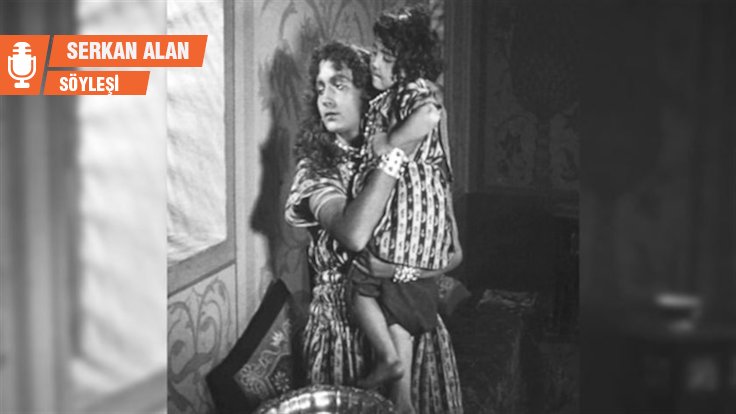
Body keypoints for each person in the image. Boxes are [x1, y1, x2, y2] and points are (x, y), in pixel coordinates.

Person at [285, 41, 463, 413]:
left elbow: (451, 255)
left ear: (369, 95)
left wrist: (397, 271)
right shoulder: (317, 169)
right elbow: (354, 235)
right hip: (344, 334)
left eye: (339, 85)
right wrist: (398, 150)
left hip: (410, 325)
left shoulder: (420, 162)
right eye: (320, 87)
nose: (326, 98)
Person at [347, 6, 460, 413]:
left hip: (408, 230)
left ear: (408, 63)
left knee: (362, 287)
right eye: (374, 53)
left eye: (385, 56)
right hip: (411, 232)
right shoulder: (391, 98)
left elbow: (430, 115)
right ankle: (401, 390)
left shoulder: (415, 94)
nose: (374, 63)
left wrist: (388, 144)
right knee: (396, 315)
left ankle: (395, 375)